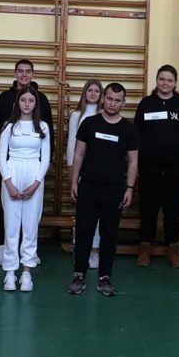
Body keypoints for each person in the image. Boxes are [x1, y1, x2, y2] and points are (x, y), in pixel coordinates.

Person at [68, 83, 139, 297]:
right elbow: (79, 154)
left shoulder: (128, 129)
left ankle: (104, 277)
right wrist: (74, 181)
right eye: (109, 99)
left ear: (123, 103)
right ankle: (79, 275)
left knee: (109, 235)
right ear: (103, 99)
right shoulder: (89, 123)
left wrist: (129, 188)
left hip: (115, 190)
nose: (112, 103)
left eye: (117, 100)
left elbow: (133, 161)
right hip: (88, 187)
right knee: (84, 232)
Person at [0, 59, 54, 267]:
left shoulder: (41, 99)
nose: (24, 74)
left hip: (34, 165)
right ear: (15, 73)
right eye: (20, 71)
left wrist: (47, 162)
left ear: (32, 74)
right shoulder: (4, 98)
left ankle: (28, 252)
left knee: (31, 210)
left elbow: (48, 131)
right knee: (8, 206)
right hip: (9, 164)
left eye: (28, 71)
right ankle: (3, 246)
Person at [134, 64, 179, 268]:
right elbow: (136, 135)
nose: (165, 83)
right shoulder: (146, 104)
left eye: (169, 80)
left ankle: (172, 248)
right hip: (148, 168)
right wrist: (136, 165)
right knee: (148, 209)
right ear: (156, 80)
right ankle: (145, 248)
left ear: (175, 83)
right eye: (162, 79)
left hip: (175, 169)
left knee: (173, 211)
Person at [0, 86, 51, 292]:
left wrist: (36, 183)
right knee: (11, 227)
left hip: (34, 174)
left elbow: (45, 158)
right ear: (17, 103)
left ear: (36, 104)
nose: (27, 104)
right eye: (23, 100)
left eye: (31, 100)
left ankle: (27, 272)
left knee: (30, 226)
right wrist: (8, 183)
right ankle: (10, 272)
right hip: (12, 172)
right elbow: (1, 156)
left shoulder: (43, 127)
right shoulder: (9, 126)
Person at [67, 80, 103, 269]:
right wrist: (71, 168)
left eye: (97, 90)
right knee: (83, 212)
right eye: (90, 90)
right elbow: (72, 145)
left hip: (99, 169)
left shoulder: (103, 115)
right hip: (80, 168)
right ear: (84, 92)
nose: (93, 93)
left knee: (98, 212)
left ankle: (95, 250)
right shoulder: (76, 115)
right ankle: (81, 249)